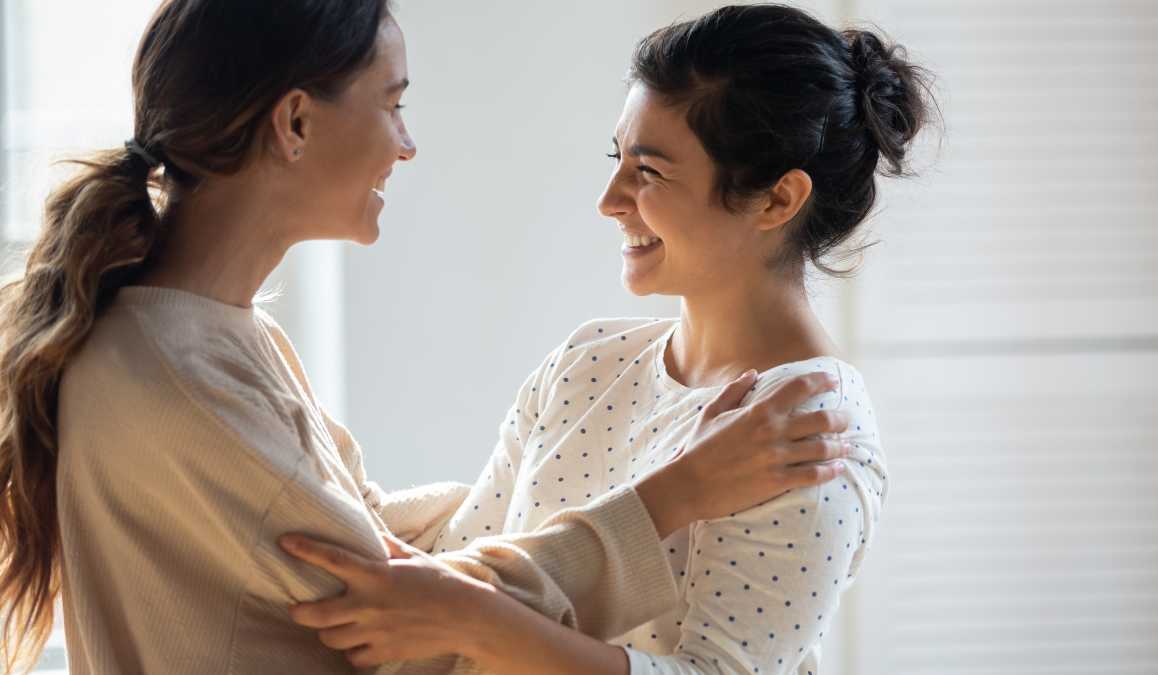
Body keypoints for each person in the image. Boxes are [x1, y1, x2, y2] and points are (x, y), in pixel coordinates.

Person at [0, 2, 850, 674]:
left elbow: (365, 533)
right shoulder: (181, 378)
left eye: (650, 169)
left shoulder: (209, 334)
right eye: (393, 104)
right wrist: (670, 496)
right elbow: (422, 640)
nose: (407, 145)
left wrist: (557, 479)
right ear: (295, 123)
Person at [280, 4, 933, 674]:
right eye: (617, 158)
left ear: (776, 200)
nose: (609, 198)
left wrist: (478, 621)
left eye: (647, 171)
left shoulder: (809, 423)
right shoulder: (588, 362)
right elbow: (466, 563)